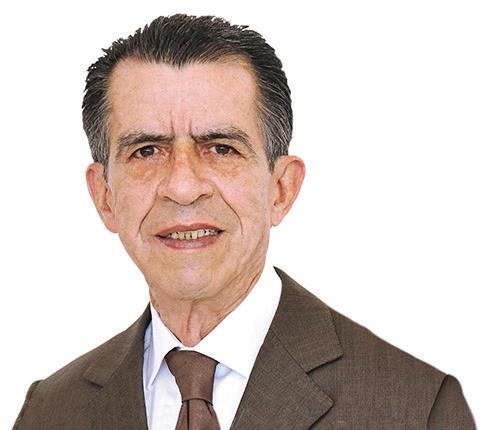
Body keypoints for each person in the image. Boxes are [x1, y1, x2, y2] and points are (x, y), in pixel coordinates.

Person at [13, 14, 476, 430]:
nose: (183, 186)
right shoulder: (49, 412)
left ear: (282, 188)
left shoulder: (417, 410)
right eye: (147, 151)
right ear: (104, 196)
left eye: (221, 148)